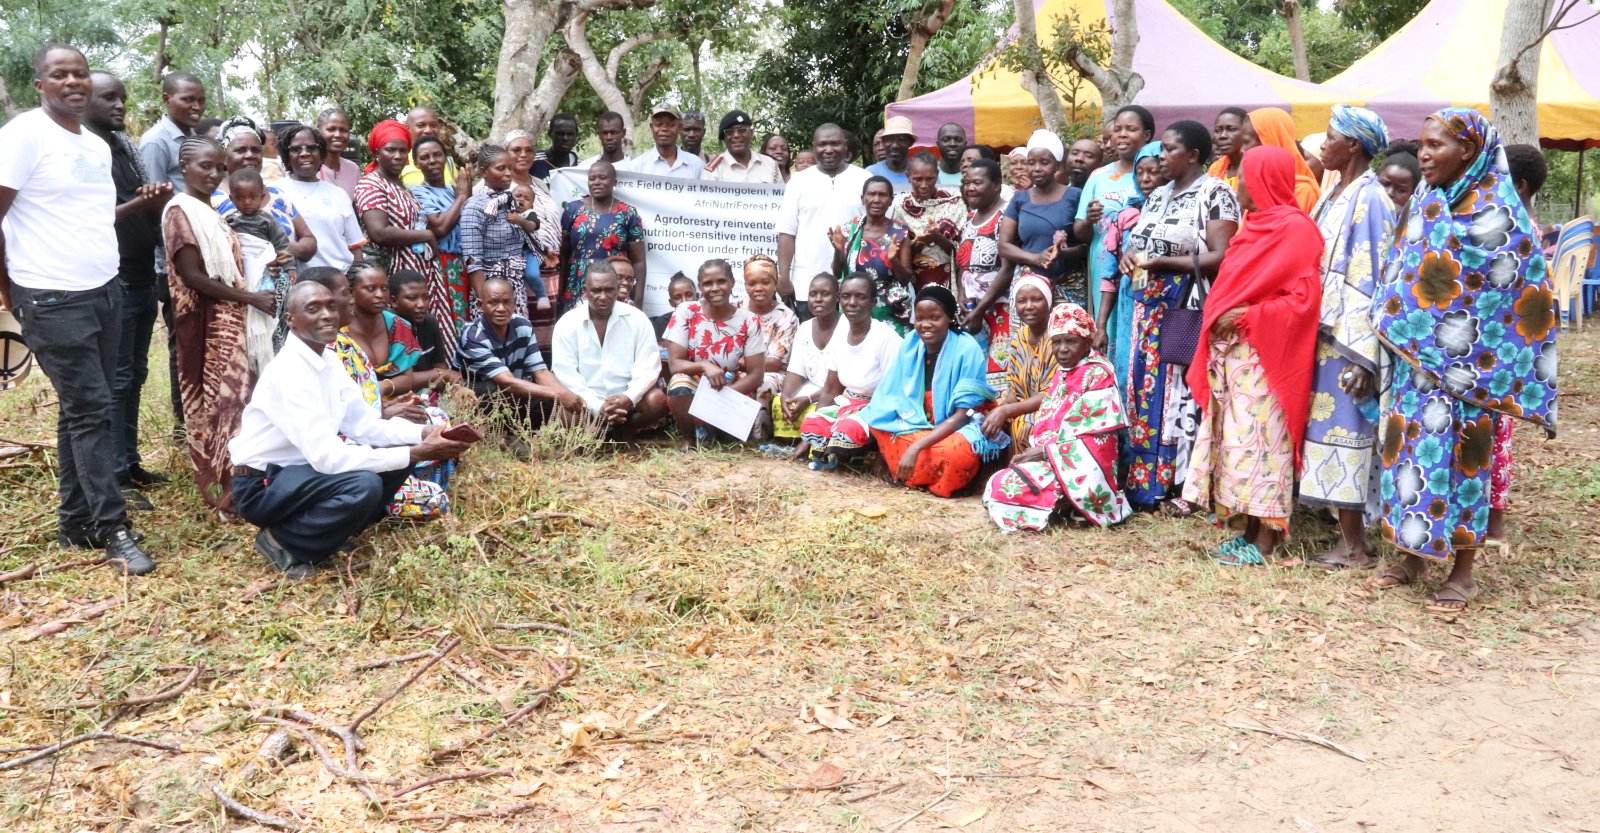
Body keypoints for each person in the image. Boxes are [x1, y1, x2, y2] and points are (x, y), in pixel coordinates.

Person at [1370, 109, 1558, 612]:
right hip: (1417, 368)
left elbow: (1511, 297)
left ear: (1468, 152)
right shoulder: (1428, 202)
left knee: (1463, 466)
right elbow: (1404, 269)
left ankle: (1464, 571)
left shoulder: (1501, 213)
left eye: (1436, 146)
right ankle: (1412, 555)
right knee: (1408, 459)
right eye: (1424, 145)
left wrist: (1456, 348)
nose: (1424, 155)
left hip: (1470, 373)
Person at [0, 45, 154, 572]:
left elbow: (90, 215)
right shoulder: (23, 135)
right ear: (39, 83)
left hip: (104, 290)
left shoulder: (92, 144)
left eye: (80, 73)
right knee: (91, 411)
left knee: (80, 409)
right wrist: (8, 291)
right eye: (59, 74)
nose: (73, 81)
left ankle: (75, 521)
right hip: (49, 295)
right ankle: (113, 529)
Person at [231, 281, 471, 578]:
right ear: (290, 319)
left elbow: (365, 426)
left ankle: (327, 534)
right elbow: (327, 458)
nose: (327, 315)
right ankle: (283, 541)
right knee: (364, 484)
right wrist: (416, 452)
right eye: (313, 308)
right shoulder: (289, 372)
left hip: (299, 476)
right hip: (262, 485)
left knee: (394, 459)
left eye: (331, 306)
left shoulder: (327, 359)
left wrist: (424, 434)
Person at [1181, 146, 1323, 565]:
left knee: (1264, 444)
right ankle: (1247, 531)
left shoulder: (1296, 229)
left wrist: (1249, 315)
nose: (1236, 184)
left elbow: (1304, 299)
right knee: (1238, 444)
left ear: (1262, 182)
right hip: (1235, 357)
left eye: (1242, 177)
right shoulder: (1254, 225)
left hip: (1269, 356)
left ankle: (1267, 542)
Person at [1116, 120, 1240, 511]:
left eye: (1169, 150)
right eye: (1160, 149)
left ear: (1193, 156)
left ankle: (1185, 487)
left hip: (1186, 307)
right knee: (1144, 393)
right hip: (1145, 307)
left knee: (1182, 396)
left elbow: (1222, 256)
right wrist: (1129, 257)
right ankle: (1144, 483)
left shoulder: (1216, 193)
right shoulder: (1157, 195)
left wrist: (1168, 262)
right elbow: (1141, 243)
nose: (1160, 156)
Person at [1300, 105, 1395, 570]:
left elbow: (1371, 276)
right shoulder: (1334, 192)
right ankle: (1348, 538)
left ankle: (1355, 546)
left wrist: (1364, 356)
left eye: (1331, 136)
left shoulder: (1371, 198)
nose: (1323, 144)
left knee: (1346, 432)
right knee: (1327, 431)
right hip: (1321, 335)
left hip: (1347, 340)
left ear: (1354, 145)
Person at [160, 135, 266, 513]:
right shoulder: (179, 210)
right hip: (204, 324)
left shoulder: (213, 212)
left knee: (237, 403)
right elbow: (191, 276)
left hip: (230, 321)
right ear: (183, 167)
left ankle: (244, 484)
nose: (213, 174)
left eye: (219, 167)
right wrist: (251, 298)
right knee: (216, 405)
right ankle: (221, 489)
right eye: (204, 166)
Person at [301, 265, 454, 519]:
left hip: (366, 430)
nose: (351, 299)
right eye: (348, 293)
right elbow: (336, 435)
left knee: (436, 422)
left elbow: (361, 417)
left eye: (383, 288)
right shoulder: (309, 357)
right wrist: (386, 415)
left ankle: (402, 482)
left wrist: (399, 416)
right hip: (330, 460)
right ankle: (382, 495)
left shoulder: (351, 349)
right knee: (433, 500)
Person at [86, 71, 174, 503]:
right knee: (116, 380)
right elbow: (94, 215)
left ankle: (130, 461)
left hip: (140, 274)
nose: (119, 106)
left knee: (135, 375)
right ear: (85, 101)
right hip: (112, 278)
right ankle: (114, 475)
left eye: (122, 98)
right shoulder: (87, 151)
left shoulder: (124, 146)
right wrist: (146, 202)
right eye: (108, 98)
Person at [982, 303, 1132, 530]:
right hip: (1058, 459)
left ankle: (1074, 505)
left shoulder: (1099, 373)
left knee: (1005, 487)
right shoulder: (1064, 373)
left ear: (1087, 343)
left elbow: (1091, 436)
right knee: (999, 482)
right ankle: (1060, 505)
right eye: (1056, 342)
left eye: (1070, 341)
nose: (1062, 349)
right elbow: (1050, 417)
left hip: (1086, 469)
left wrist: (1044, 452)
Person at [857, 286, 1005, 497]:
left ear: (949, 319)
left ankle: (937, 483)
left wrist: (917, 447)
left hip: (955, 425)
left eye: (935, 318)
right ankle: (911, 471)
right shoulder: (911, 343)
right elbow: (892, 395)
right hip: (915, 421)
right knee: (879, 423)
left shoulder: (967, 349)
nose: (926, 325)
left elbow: (963, 416)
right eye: (920, 318)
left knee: (958, 452)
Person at [1490, 143, 1550, 544]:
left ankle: (1494, 520)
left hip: (1500, 346)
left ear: (1520, 184)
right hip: (1501, 346)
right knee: (1496, 434)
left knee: (1496, 435)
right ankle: (1492, 518)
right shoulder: (1521, 224)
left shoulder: (1520, 229)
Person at [356, 119, 452, 348]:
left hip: (419, 272)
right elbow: (379, 232)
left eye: (403, 150)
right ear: (378, 152)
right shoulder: (371, 184)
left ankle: (437, 381)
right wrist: (427, 236)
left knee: (427, 335)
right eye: (391, 150)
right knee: (402, 338)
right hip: (394, 275)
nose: (398, 156)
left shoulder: (402, 186)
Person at [549, 260, 669, 441]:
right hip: (586, 403)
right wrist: (597, 406)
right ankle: (603, 434)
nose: (603, 296)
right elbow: (566, 374)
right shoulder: (567, 324)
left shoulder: (637, 319)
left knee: (656, 401)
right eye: (596, 290)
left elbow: (648, 367)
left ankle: (621, 431)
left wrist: (628, 397)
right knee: (564, 411)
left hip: (627, 402)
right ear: (586, 290)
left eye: (609, 290)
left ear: (617, 288)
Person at [796, 272, 902, 466]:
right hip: (848, 403)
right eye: (846, 296)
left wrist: (883, 456)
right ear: (839, 300)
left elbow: (894, 398)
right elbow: (831, 389)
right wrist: (806, 443)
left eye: (860, 297)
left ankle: (860, 452)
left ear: (872, 302)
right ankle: (837, 454)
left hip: (877, 407)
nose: (852, 303)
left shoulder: (887, 339)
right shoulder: (840, 334)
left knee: (847, 429)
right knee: (813, 425)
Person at [663, 259, 768, 449]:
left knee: (730, 443)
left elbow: (756, 375)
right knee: (679, 383)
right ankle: (689, 438)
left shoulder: (749, 321)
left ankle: (710, 426)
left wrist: (720, 396)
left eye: (721, 281)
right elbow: (675, 364)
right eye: (707, 284)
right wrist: (705, 366)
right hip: (694, 384)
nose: (715, 288)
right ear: (700, 288)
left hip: (730, 389)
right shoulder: (686, 312)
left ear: (732, 283)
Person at [1075, 105, 1155, 341]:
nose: (1121, 134)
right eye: (1117, 129)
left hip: (1142, 266)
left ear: (1147, 135)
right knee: (1105, 332)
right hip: (1104, 270)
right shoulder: (1098, 176)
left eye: (1131, 129)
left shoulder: (1156, 173)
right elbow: (1080, 232)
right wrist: (1089, 219)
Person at [459, 277, 584, 424]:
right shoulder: (473, 336)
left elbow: (541, 373)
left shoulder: (522, 326)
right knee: (493, 388)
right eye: (493, 302)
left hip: (510, 397)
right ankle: (495, 435)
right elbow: (507, 382)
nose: (501, 308)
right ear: (480, 305)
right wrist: (558, 394)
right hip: (476, 401)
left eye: (507, 302)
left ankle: (532, 439)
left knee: (545, 397)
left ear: (515, 302)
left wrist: (569, 397)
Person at [776, 124, 872, 304]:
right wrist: (784, 278)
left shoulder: (864, 179)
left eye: (835, 144)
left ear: (845, 146)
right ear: (814, 147)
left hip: (855, 285)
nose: (828, 150)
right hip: (807, 286)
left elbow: (877, 228)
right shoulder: (798, 182)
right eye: (822, 145)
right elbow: (787, 232)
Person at [1102, 143, 1168, 393]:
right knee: (1128, 371)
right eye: (1139, 172)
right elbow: (1109, 276)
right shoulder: (1124, 217)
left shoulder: (1179, 214)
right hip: (1129, 305)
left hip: (1167, 302)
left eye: (1153, 171)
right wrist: (1101, 326)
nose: (1145, 179)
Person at [210, 116, 317, 264]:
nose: (250, 155)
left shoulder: (276, 194)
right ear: (224, 157)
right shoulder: (211, 200)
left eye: (256, 150)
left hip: (287, 281)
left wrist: (285, 251)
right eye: (241, 150)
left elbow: (309, 240)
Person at [1001, 130, 1086, 310]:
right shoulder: (1019, 199)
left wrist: (1064, 253)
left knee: (1066, 337)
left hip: (1069, 285)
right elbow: (1004, 246)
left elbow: (1087, 245)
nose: (1037, 168)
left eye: (1044, 162)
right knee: (1027, 338)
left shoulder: (1075, 196)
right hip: (1029, 287)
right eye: (1031, 163)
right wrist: (1035, 258)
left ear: (1057, 166)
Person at [978, 274, 1057, 450]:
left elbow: (1051, 395)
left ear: (1048, 302)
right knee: (988, 424)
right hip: (1025, 408)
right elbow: (1015, 390)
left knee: (1024, 425)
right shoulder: (1018, 338)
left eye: (1036, 299)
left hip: (1054, 410)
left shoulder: (1058, 337)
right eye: (1022, 301)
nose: (1029, 307)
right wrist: (1002, 409)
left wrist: (1007, 411)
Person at [953, 158, 1014, 386]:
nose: (970, 188)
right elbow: (963, 263)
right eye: (967, 183)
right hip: (973, 310)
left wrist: (980, 309)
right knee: (974, 372)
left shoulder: (1008, 215)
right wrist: (961, 294)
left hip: (1001, 307)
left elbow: (1007, 268)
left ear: (997, 184)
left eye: (977, 183)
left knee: (1000, 372)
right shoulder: (969, 218)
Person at [460, 145, 538, 319]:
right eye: (501, 168)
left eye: (510, 168)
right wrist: (486, 303)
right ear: (483, 172)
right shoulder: (475, 207)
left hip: (515, 289)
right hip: (490, 292)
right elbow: (473, 262)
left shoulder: (512, 202)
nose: (508, 174)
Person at [559, 160, 646, 312]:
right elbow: (563, 256)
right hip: (578, 282)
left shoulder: (628, 213)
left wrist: (638, 300)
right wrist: (560, 291)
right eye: (592, 178)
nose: (596, 182)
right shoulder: (573, 209)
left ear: (614, 182)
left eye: (602, 178)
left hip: (615, 284)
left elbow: (638, 261)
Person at [276, 123, 365, 272]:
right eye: (296, 149)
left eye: (311, 148)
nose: (305, 153)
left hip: (339, 281)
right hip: (296, 285)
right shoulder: (274, 192)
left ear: (321, 153)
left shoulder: (339, 194)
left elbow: (355, 247)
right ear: (286, 156)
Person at [409, 134, 473, 338]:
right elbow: (439, 227)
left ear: (445, 158)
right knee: (452, 321)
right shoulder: (418, 193)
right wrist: (463, 197)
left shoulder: (453, 190)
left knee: (472, 319)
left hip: (468, 263)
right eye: (425, 157)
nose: (432, 160)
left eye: (437, 155)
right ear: (417, 164)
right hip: (444, 264)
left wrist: (462, 195)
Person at [831, 176, 914, 332]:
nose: (876, 199)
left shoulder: (900, 232)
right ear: (863, 199)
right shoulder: (849, 230)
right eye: (871, 194)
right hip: (854, 307)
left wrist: (893, 260)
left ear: (891, 200)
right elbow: (837, 273)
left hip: (888, 311)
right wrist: (838, 250)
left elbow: (905, 278)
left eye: (882, 195)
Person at [775, 273, 841, 448]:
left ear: (837, 298)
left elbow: (841, 384)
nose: (818, 299)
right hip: (813, 388)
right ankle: (796, 440)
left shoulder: (848, 328)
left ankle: (815, 442)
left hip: (839, 393)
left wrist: (809, 399)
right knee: (778, 403)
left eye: (825, 294)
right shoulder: (805, 328)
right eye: (813, 294)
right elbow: (796, 371)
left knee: (829, 409)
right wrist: (786, 397)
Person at [892, 152, 966, 291]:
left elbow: (964, 252)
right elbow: (900, 255)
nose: (924, 185)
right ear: (908, 176)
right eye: (918, 179)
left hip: (950, 278)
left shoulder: (954, 202)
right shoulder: (902, 206)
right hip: (915, 281)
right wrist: (921, 242)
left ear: (937, 175)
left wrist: (938, 238)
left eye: (930, 179)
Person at [389, 268, 463, 388]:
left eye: (425, 297)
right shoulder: (385, 327)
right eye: (412, 298)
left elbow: (440, 368)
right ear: (393, 301)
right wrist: (440, 375)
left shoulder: (429, 322)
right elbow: (393, 381)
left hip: (427, 393)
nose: (421, 304)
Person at [741, 255, 800, 400]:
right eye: (752, 283)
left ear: (775, 284)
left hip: (770, 374)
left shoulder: (786, 317)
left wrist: (734, 364)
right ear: (745, 285)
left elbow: (773, 364)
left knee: (763, 382)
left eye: (765, 283)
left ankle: (759, 424)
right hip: (738, 369)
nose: (758, 288)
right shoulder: (735, 310)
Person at [1241, 108, 1321, 212]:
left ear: (1267, 141)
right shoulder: (1256, 183)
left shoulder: (1301, 190)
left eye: (1246, 142)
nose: (1242, 149)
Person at [140, 71, 206, 193]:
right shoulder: (155, 141)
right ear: (166, 100)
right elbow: (152, 199)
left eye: (201, 101)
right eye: (188, 99)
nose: (197, 107)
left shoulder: (196, 139)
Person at [224, 168, 293, 263]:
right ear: (232, 199)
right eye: (240, 198)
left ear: (261, 197)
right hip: (239, 265)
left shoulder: (268, 220)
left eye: (253, 197)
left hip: (265, 263)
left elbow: (281, 243)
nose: (247, 202)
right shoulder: (229, 220)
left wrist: (289, 266)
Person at [704, 110, 782, 183]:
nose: (736, 135)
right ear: (724, 137)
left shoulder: (770, 164)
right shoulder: (714, 170)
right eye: (729, 132)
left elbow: (781, 196)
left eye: (742, 130)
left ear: (751, 133)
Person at [626, 106, 702, 179]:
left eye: (670, 125)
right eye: (658, 125)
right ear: (652, 127)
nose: (664, 129)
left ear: (679, 127)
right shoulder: (636, 167)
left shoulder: (696, 165)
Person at [399, 106, 456, 186]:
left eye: (433, 125)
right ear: (407, 129)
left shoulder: (448, 162)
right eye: (421, 126)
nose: (428, 130)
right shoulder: (399, 161)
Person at [315, 107, 360, 200]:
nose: (338, 135)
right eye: (331, 129)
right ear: (318, 133)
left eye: (343, 130)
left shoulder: (352, 169)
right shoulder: (308, 168)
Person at [1207, 107, 1249, 190]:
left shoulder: (1256, 168)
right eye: (1218, 130)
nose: (1222, 136)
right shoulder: (1214, 168)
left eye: (1231, 129)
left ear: (1247, 132)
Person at [866, 116, 916, 186]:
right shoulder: (870, 173)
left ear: (911, 142)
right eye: (889, 139)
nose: (894, 145)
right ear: (883, 142)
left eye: (901, 139)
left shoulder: (922, 173)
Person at [531, 113, 580, 181]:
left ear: (576, 135)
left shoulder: (582, 166)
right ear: (550, 134)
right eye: (560, 134)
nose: (565, 138)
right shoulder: (533, 161)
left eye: (570, 134)